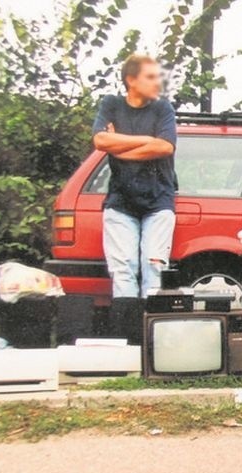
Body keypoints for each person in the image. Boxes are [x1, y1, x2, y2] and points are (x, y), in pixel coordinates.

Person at [92, 54, 177, 340]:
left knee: (154, 268)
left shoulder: (163, 108)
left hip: (159, 201)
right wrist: (145, 141)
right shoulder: (111, 104)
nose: (158, 82)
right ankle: (127, 346)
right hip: (120, 203)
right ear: (131, 80)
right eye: (151, 77)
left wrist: (119, 148)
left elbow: (165, 147)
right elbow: (100, 141)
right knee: (124, 270)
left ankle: (150, 350)